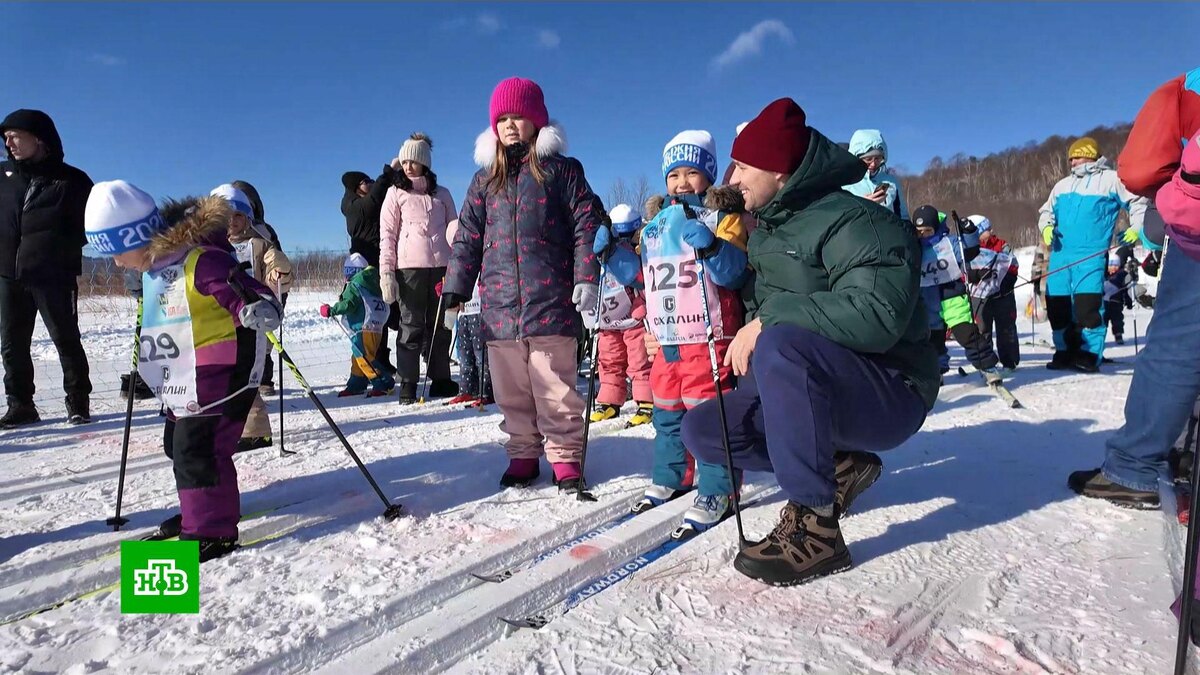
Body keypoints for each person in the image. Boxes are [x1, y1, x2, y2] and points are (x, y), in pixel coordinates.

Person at [679, 98, 938, 586]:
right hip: (807, 382)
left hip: (890, 386)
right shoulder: (767, 232)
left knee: (782, 345)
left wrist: (771, 319)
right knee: (705, 432)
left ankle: (816, 527)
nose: (730, 179)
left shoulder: (859, 221)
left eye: (743, 166)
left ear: (780, 171)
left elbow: (877, 315)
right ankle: (840, 464)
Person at [85, 181, 280, 561]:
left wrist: (253, 307)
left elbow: (246, 290)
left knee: (198, 451)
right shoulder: (156, 269)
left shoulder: (200, 259)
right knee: (178, 445)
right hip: (184, 377)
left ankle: (211, 531)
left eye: (117, 252)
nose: (115, 262)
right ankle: (204, 508)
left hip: (221, 374)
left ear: (137, 238)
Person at [441, 77, 605, 493]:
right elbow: (467, 238)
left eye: (520, 116)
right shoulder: (483, 181)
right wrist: (456, 290)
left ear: (538, 121)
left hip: (550, 300)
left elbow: (589, 223)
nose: (511, 124)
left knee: (554, 387)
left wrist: (587, 277)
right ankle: (522, 454)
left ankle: (565, 458)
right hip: (498, 307)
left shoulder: (562, 172)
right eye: (503, 117)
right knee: (512, 390)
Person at [596, 130, 749, 538]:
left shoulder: (723, 218)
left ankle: (720, 487)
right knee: (666, 412)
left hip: (709, 335)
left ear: (709, 176)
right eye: (674, 175)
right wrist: (612, 256)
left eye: (691, 173)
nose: (681, 183)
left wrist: (715, 247)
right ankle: (674, 474)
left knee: (709, 414)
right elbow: (641, 277)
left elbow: (734, 273)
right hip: (667, 338)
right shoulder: (656, 224)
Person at [1068, 66, 1200, 508]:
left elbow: (1140, 171)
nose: (1078, 165)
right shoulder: (1062, 188)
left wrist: (1149, 223)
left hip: (1193, 225)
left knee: (1178, 343)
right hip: (1071, 258)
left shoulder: (1185, 89)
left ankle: (1134, 466)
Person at [0, 109, 94, 427]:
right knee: (12, 343)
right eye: (5, 138)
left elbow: (91, 226)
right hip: (8, 275)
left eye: (15, 136)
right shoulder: (2, 178)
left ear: (39, 139)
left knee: (65, 339)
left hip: (54, 275)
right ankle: (20, 404)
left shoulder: (73, 181)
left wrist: (57, 250)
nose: (8, 143)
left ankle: (78, 402)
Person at [1037, 137, 1147, 373]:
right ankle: (1065, 351)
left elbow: (1137, 200)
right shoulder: (1062, 185)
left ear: (1089, 155)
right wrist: (1046, 227)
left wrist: (1136, 227)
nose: (1072, 161)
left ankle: (1088, 353)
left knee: (1087, 307)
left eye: (1076, 156)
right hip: (1059, 255)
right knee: (1057, 307)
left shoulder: (1110, 179)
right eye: (1070, 158)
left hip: (1090, 255)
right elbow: (1046, 210)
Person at [378, 133, 459, 404]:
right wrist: (387, 273)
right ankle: (408, 383)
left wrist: (458, 265)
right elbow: (387, 236)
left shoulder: (443, 194)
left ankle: (441, 379)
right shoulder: (395, 193)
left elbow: (455, 231)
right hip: (409, 270)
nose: (409, 166)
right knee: (410, 325)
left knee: (439, 326)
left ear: (425, 163)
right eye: (406, 160)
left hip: (441, 268)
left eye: (415, 160)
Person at [212, 184, 292, 452]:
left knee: (247, 375)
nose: (232, 222)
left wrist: (280, 272)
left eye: (238, 216)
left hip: (253, 320)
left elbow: (276, 267)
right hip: (219, 321)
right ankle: (226, 425)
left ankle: (256, 431)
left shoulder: (258, 243)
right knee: (224, 375)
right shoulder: (209, 247)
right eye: (226, 216)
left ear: (248, 217)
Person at [912, 206, 1002, 382]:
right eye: (920, 232)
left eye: (928, 231)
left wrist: (969, 232)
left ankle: (987, 366)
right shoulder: (915, 247)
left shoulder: (949, 243)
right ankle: (936, 371)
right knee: (932, 340)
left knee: (966, 333)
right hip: (928, 300)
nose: (924, 236)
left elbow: (969, 250)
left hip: (952, 296)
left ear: (936, 228)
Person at [587, 204, 653, 428]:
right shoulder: (600, 251)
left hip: (633, 316)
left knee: (639, 358)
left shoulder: (636, 251)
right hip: (608, 317)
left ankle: (646, 399)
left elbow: (640, 277)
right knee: (609, 359)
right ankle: (609, 400)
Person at [343, 161, 399, 371]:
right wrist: (388, 173)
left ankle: (381, 358)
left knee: (381, 311)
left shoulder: (364, 204)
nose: (371, 183)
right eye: (366, 181)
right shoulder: (354, 207)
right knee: (373, 315)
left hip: (379, 264)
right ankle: (372, 361)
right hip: (366, 270)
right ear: (357, 187)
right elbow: (375, 198)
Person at [231, 179, 283, 396]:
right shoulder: (221, 235)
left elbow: (277, 264)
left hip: (261, 290)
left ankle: (264, 378)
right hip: (233, 297)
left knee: (263, 341)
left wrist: (279, 286)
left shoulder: (264, 232)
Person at [320, 253, 395, 397]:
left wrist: (331, 310)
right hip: (376, 327)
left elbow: (349, 304)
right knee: (358, 359)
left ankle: (384, 383)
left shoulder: (354, 285)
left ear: (351, 272)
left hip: (362, 327)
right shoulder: (373, 284)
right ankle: (357, 384)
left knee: (364, 358)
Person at [967, 214, 1020, 373]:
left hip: (1003, 295)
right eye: (987, 229)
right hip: (980, 296)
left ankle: (1009, 362)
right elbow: (963, 269)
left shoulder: (1001, 245)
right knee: (982, 329)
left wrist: (1009, 279)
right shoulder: (969, 249)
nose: (991, 230)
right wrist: (973, 276)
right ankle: (986, 363)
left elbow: (1013, 264)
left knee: (1006, 328)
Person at [842, 129, 909, 220]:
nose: (873, 164)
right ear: (857, 158)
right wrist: (862, 204)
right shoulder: (846, 183)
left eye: (877, 158)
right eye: (868, 159)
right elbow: (839, 216)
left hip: (887, 232)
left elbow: (903, 217)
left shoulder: (892, 182)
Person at [1102, 253, 1133, 345]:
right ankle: (1100, 338)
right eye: (1110, 265)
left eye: (1115, 265)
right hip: (1104, 302)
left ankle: (1118, 335)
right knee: (1103, 320)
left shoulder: (1121, 275)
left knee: (1117, 320)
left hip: (1116, 302)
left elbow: (1126, 289)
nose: (1113, 268)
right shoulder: (1103, 275)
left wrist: (1128, 301)